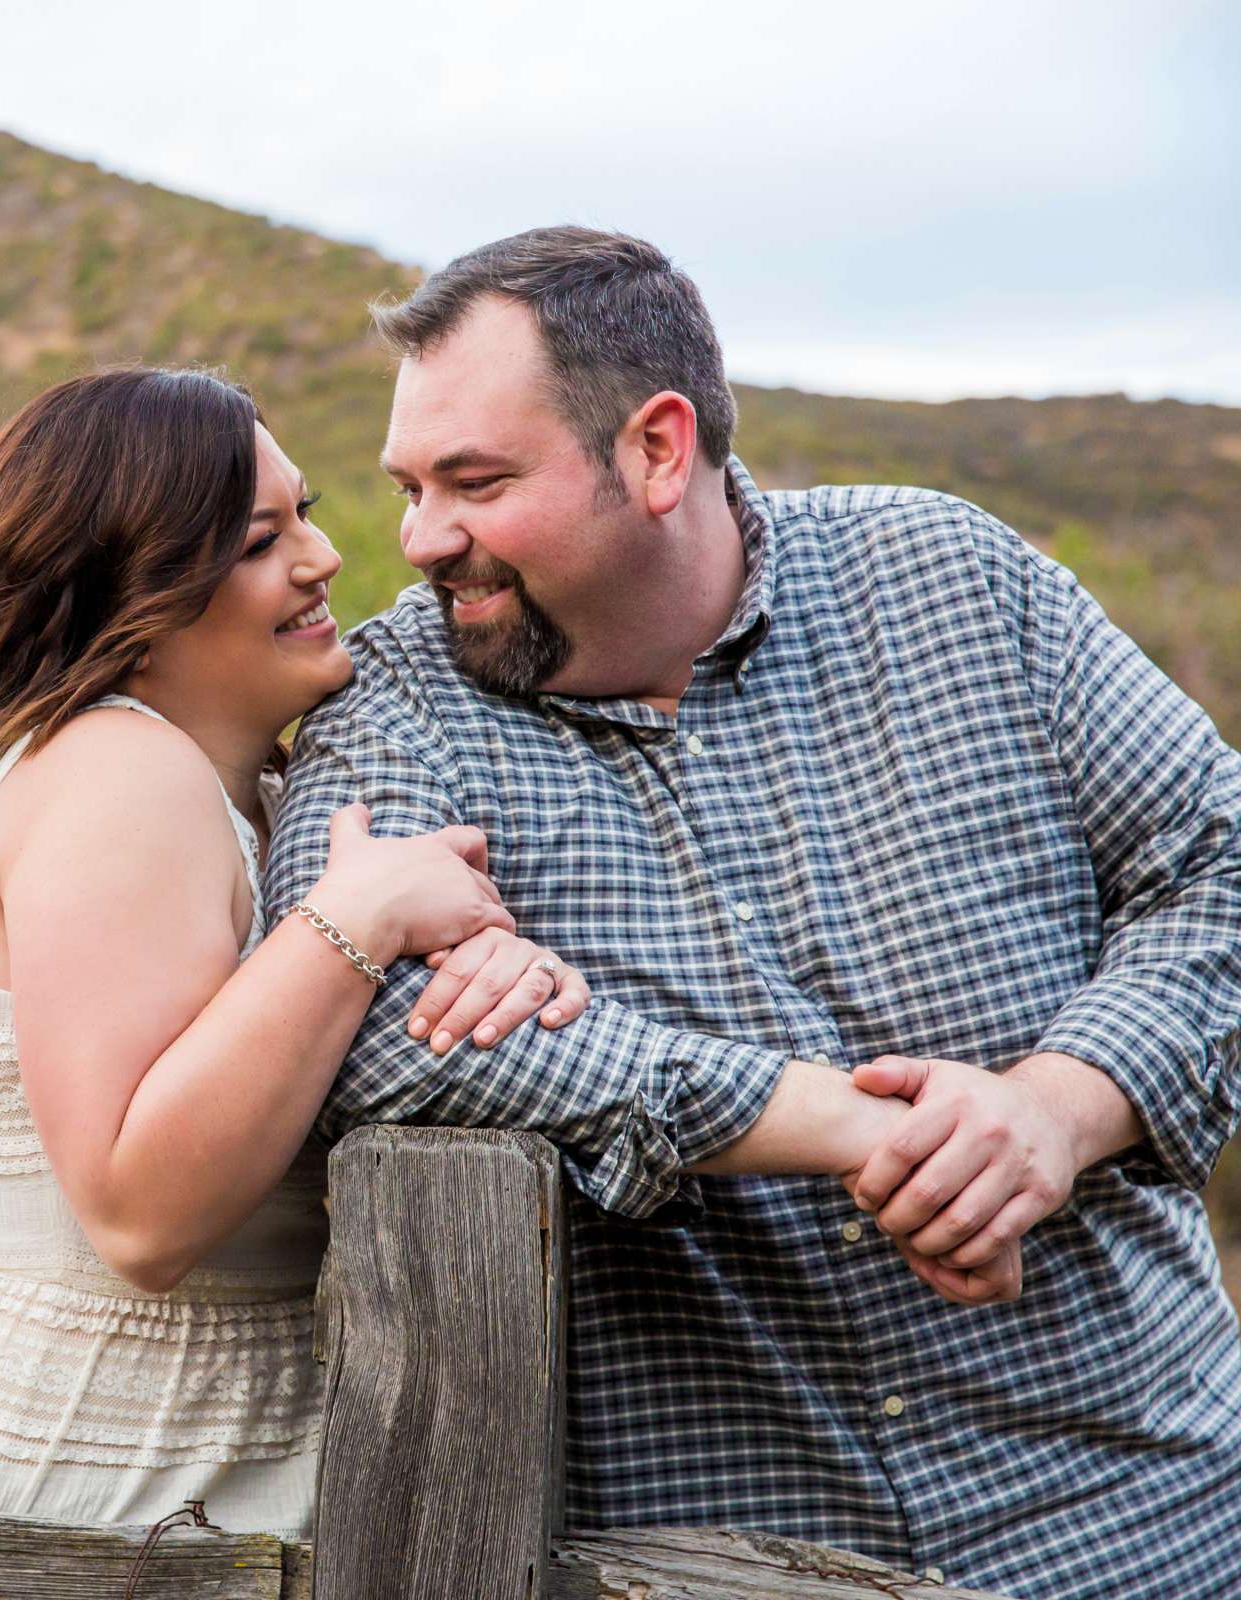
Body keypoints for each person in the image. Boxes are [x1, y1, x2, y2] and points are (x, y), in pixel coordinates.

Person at [264, 225, 1241, 1597]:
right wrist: (830, 1120)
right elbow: (343, 1026)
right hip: (722, 1567)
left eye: (476, 482)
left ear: (659, 451)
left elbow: (1221, 861)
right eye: (410, 486)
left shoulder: (957, 584)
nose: (423, 539)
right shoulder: (397, 705)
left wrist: (1053, 1111)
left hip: (1145, 1526)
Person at [0, 367, 589, 1537]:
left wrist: (507, 975)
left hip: (190, 1515)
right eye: (258, 540)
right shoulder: (116, 771)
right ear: (127, 594)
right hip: (79, 1520)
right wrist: (359, 923)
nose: (325, 557)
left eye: (306, 512)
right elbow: (140, 1211)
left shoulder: (255, 801)